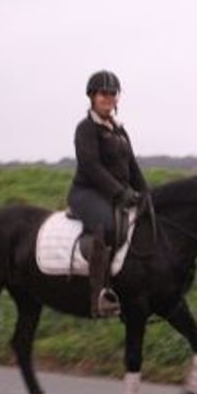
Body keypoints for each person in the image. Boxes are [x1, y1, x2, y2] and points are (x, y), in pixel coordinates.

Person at [67, 70, 149, 317]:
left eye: (113, 94)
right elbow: (91, 167)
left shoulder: (119, 130)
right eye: (104, 93)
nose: (109, 98)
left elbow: (133, 167)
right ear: (92, 96)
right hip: (87, 192)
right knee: (108, 225)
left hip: (115, 193)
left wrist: (147, 194)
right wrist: (120, 193)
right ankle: (100, 295)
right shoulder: (86, 129)